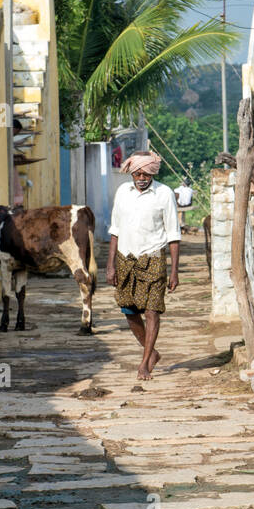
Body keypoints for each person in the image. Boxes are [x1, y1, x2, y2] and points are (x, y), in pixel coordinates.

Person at [107, 151, 181, 380]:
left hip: (154, 260)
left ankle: (144, 364)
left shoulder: (164, 194)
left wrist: (175, 271)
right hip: (125, 260)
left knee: (152, 311)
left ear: (152, 174)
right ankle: (152, 353)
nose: (141, 177)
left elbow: (173, 235)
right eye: (138, 173)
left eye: (146, 173)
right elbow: (115, 230)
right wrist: (110, 265)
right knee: (129, 311)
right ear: (131, 172)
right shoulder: (122, 192)